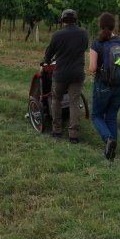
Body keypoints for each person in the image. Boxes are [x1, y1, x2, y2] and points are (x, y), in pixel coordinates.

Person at [43, 9, 89, 143]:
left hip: (61, 74)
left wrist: (46, 61)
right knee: (74, 102)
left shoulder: (57, 34)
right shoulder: (83, 32)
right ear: (76, 20)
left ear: (62, 20)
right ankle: (73, 135)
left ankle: (57, 130)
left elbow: (49, 53)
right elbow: (84, 47)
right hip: (77, 73)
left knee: (56, 99)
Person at [88, 12, 120, 161]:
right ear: (114, 26)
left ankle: (108, 140)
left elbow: (92, 68)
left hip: (103, 85)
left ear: (100, 25)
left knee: (96, 115)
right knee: (111, 116)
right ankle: (111, 154)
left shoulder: (96, 43)